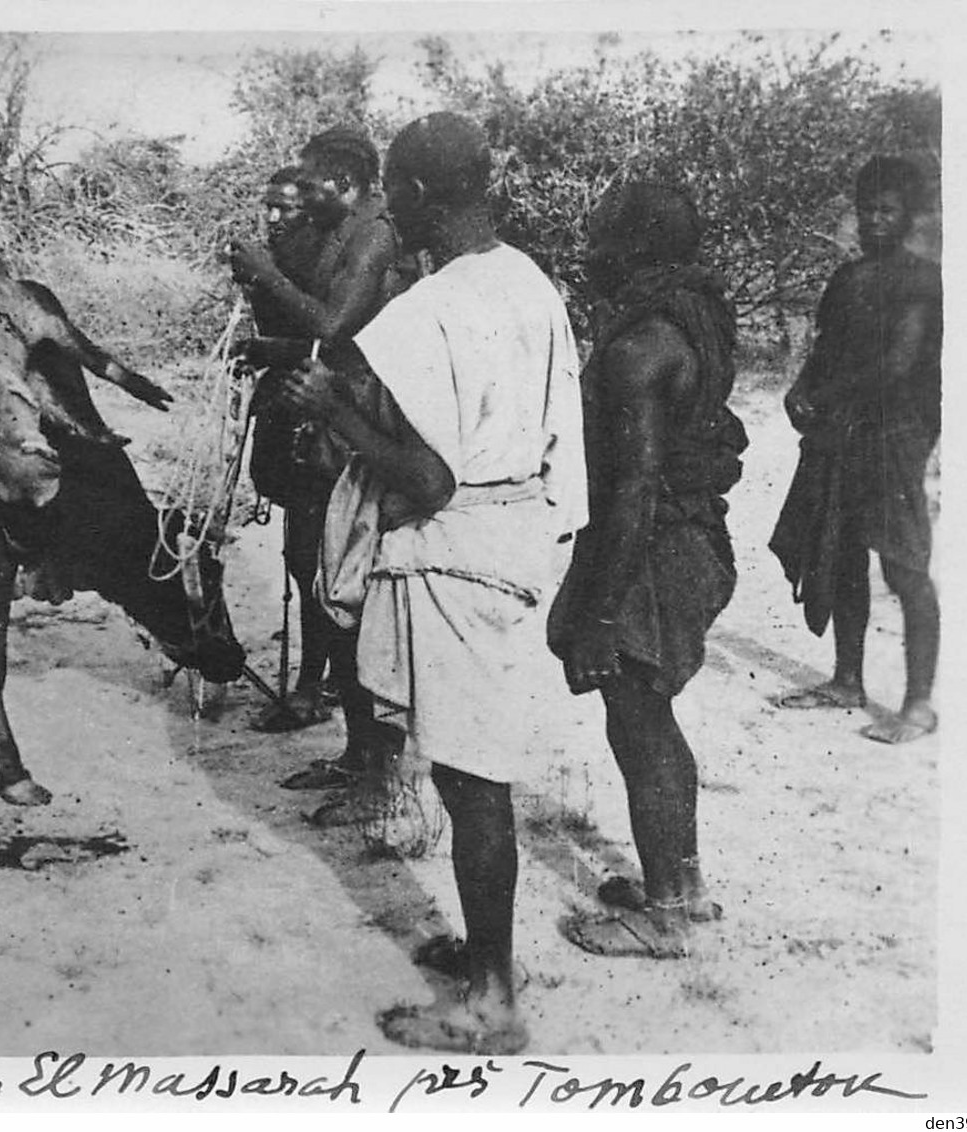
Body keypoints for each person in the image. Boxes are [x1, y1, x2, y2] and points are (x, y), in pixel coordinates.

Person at [270, 111, 585, 1053]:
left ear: (404, 195)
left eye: (389, 195)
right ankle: (489, 955)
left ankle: (492, 1000)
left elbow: (429, 477)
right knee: (469, 766)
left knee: (473, 777)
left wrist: (332, 407)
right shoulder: (529, 280)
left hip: (457, 544)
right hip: (516, 536)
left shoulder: (429, 308)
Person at [546, 182, 747, 958]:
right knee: (649, 715)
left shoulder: (640, 348)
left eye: (599, 238)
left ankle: (665, 911)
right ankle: (683, 888)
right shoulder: (690, 317)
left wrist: (601, 612)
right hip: (682, 540)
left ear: (632, 250)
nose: (588, 252)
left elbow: (634, 489)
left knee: (638, 717)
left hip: (653, 552)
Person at [229, 126, 410, 818]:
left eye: (309, 184)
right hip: (337, 420)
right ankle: (358, 759)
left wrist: (267, 277)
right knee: (326, 582)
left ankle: (376, 775)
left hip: (363, 429)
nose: (300, 196)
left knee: (349, 592)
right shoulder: (344, 235)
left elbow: (335, 329)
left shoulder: (376, 237)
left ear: (342, 181)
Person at [768, 156, 942, 745]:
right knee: (840, 550)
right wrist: (800, 391)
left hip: (894, 433)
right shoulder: (848, 280)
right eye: (866, 209)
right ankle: (847, 681)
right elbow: (825, 349)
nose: (873, 221)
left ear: (909, 216)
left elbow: (899, 365)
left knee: (902, 564)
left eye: (886, 210)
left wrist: (831, 397)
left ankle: (918, 704)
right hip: (842, 431)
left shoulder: (921, 281)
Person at [242, 166, 335, 732]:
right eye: (269, 208)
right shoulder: (277, 267)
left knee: (311, 559)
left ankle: (309, 689)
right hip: (285, 418)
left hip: (320, 426)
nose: (274, 219)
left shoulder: (330, 267)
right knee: (302, 558)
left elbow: (334, 337)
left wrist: (265, 348)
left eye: (287, 210)